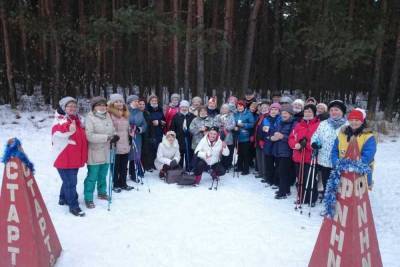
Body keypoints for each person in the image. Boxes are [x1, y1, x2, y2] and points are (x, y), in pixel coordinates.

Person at [51, 96, 87, 216]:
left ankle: (63, 197)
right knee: (71, 182)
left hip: (74, 157)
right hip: (63, 157)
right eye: (69, 106)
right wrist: (68, 128)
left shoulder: (76, 120)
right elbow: (57, 132)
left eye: (74, 106)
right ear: (63, 107)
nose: (72, 108)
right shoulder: (59, 119)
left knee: (68, 180)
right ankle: (73, 206)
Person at [84, 96, 116, 209]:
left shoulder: (107, 116)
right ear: (94, 107)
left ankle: (102, 192)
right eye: (99, 105)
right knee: (92, 177)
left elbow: (112, 130)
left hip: (107, 151)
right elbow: (89, 136)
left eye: (104, 105)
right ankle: (88, 198)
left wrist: (114, 136)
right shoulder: (90, 118)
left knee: (103, 175)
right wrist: (107, 137)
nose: (102, 107)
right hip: (95, 152)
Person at [331, 108, 376, 187]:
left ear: (362, 121)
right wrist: (336, 162)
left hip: (360, 170)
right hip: (342, 169)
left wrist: (353, 166)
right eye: (351, 120)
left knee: (358, 194)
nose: (354, 122)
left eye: (357, 120)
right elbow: (334, 150)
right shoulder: (342, 134)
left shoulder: (368, 136)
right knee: (343, 192)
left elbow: (369, 154)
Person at [311, 100, 347, 195]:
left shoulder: (347, 126)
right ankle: (327, 198)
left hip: (340, 159)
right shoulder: (323, 124)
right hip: (324, 159)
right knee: (326, 180)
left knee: (340, 182)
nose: (334, 112)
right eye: (331, 110)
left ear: (342, 112)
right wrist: (314, 143)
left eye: (336, 110)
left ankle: (339, 200)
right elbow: (316, 136)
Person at [289, 104, 320, 206]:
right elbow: (291, 138)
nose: (307, 113)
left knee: (310, 178)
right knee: (300, 177)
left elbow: (319, 143)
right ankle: (301, 196)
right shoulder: (299, 125)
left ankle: (311, 198)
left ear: (314, 113)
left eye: (310, 111)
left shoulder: (318, 125)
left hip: (310, 157)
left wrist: (307, 145)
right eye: (306, 111)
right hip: (298, 156)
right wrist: (295, 144)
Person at [108, 93, 134, 192]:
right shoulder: (109, 114)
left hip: (125, 142)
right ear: (112, 103)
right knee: (116, 165)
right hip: (115, 142)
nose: (119, 103)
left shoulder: (125, 114)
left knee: (124, 165)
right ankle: (115, 184)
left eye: (121, 101)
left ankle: (123, 183)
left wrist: (130, 133)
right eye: (116, 102)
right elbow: (109, 127)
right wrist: (113, 135)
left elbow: (127, 128)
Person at [272, 106, 296, 199]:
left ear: (290, 114)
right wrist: (273, 137)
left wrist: (282, 137)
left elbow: (293, 137)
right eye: (282, 113)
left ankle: (282, 193)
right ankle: (286, 189)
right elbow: (275, 132)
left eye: (286, 113)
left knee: (283, 172)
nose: (284, 115)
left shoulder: (294, 123)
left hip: (287, 151)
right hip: (278, 150)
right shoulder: (280, 122)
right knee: (281, 171)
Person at [170, 100, 196, 171]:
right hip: (179, 138)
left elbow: (195, 127)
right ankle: (179, 168)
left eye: (186, 107)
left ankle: (189, 168)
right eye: (182, 107)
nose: (184, 108)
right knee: (179, 153)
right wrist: (172, 137)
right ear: (180, 107)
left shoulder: (192, 116)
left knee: (189, 153)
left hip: (189, 138)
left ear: (188, 107)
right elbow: (172, 128)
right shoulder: (176, 116)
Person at [127, 95, 147, 182]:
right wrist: (128, 128)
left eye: (137, 101)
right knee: (126, 154)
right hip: (126, 136)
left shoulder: (140, 112)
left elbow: (144, 124)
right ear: (130, 102)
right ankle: (123, 173)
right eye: (135, 101)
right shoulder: (125, 111)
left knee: (135, 154)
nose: (137, 102)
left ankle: (133, 173)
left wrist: (139, 129)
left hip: (137, 136)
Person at [233, 100, 255, 175]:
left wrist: (244, 125)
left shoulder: (248, 114)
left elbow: (252, 124)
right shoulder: (235, 114)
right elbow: (233, 122)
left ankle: (246, 169)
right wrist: (235, 127)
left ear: (244, 106)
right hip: (237, 136)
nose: (239, 107)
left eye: (241, 106)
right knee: (239, 153)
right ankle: (239, 167)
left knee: (245, 153)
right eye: (238, 106)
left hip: (245, 136)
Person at [261, 103, 281, 186]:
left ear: (279, 111)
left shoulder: (281, 119)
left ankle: (276, 181)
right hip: (268, 143)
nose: (273, 111)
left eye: (276, 109)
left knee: (277, 163)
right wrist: (267, 137)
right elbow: (263, 131)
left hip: (278, 143)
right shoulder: (265, 119)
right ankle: (269, 180)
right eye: (272, 109)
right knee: (269, 163)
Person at [146, 95, 166, 170]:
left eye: (155, 100)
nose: (154, 102)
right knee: (150, 149)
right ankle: (149, 165)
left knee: (157, 148)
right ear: (149, 101)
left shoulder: (160, 109)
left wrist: (161, 122)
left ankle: (155, 164)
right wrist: (153, 122)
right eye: (152, 100)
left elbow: (163, 120)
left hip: (159, 132)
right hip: (150, 132)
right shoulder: (147, 109)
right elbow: (147, 120)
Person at [214, 103, 236, 171]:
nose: (224, 110)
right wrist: (220, 125)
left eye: (226, 108)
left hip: (228, 136)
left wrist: (226, 127)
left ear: (228, 110)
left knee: (229, 150)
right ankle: (220, 164)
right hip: (220, 135)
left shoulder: (231, 116)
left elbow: (233, 124)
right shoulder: (218, 116)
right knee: (220, 150)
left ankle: (228, 165)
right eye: (223, 108)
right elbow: (214, 123)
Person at [254, 100, 271, 179]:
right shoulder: (260, 116)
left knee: (264, 158)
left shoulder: (268, 117)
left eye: (266, 107)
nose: (264, 108)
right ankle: (260, 173)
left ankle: (265, 174)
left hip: (264, 140)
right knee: (259, 157)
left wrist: (262, 139)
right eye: (262, 107)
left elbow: (267, 130)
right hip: (258, 139)